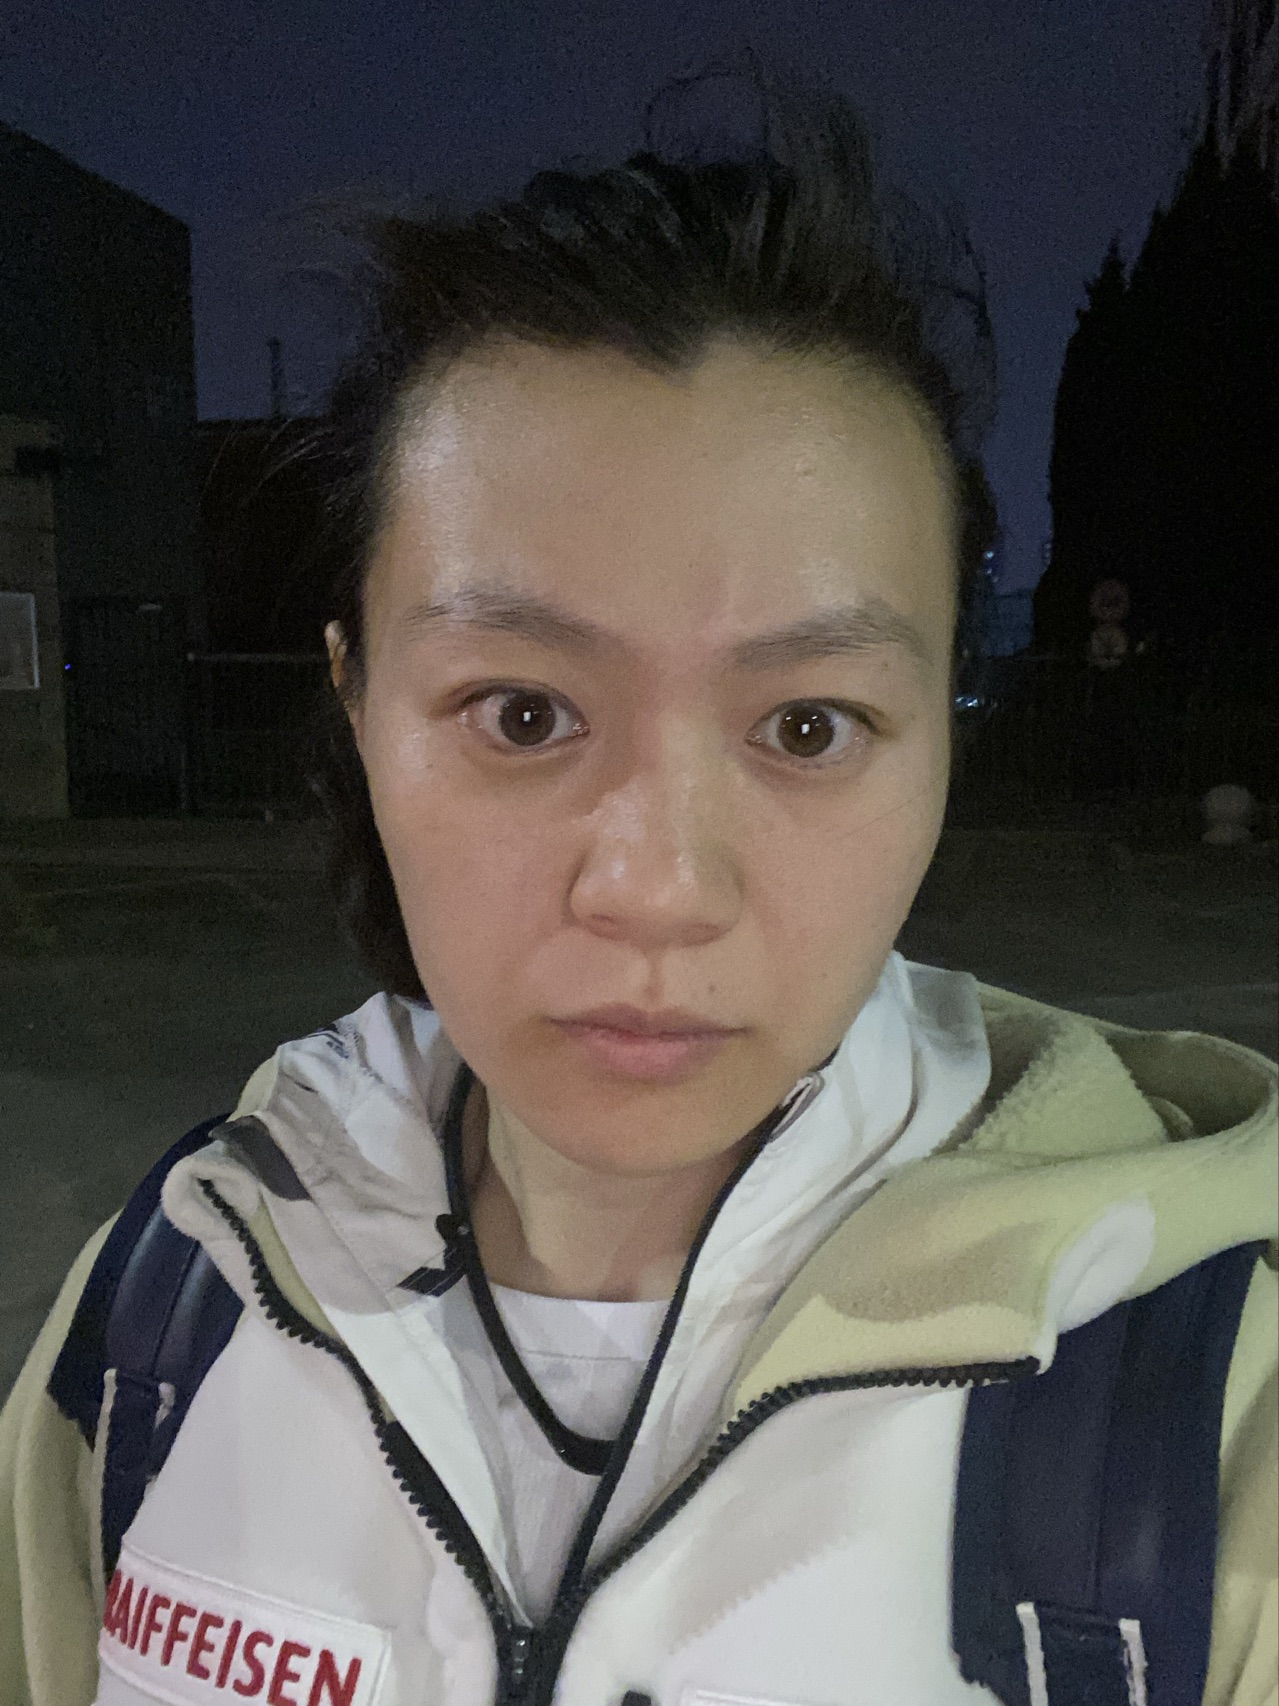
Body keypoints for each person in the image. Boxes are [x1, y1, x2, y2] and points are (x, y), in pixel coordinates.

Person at [1, 73, 1275, 1706]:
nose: (659, 890)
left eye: (808, 726)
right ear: (356, 704)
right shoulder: (174, 1300)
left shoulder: (1203, 1420)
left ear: (948, 732)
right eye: (523, 713)